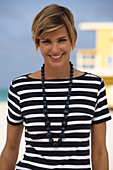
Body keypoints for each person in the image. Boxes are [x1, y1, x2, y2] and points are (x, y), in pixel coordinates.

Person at [0, 4, 112, 170]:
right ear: (38, 43)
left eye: (61, 40)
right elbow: (10, 149)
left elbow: (100, 152)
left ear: (72, 40)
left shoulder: (94, 86)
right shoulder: (20, 87)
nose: (54, 49)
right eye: (46, 41)